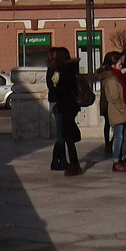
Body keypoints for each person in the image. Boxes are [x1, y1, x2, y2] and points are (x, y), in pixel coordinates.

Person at [46, 46, 84, 176]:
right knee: (66, 136)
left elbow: (63, 89)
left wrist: (57, 90)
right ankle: (67, 162)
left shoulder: (66, 70)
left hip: (66, 106)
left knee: (66, 136)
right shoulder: (65, 69)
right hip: (66, 106)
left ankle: (73, 164)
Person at [99, 52, 126, 172]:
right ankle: (116, 160)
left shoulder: (118, 77)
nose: (122, 65)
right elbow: (115, 98)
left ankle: (122, 157)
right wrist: (123, 108)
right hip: (117, 111)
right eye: (119, 63)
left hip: (123, 110)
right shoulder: (112, 79)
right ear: (113, 65)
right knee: (119, 136)